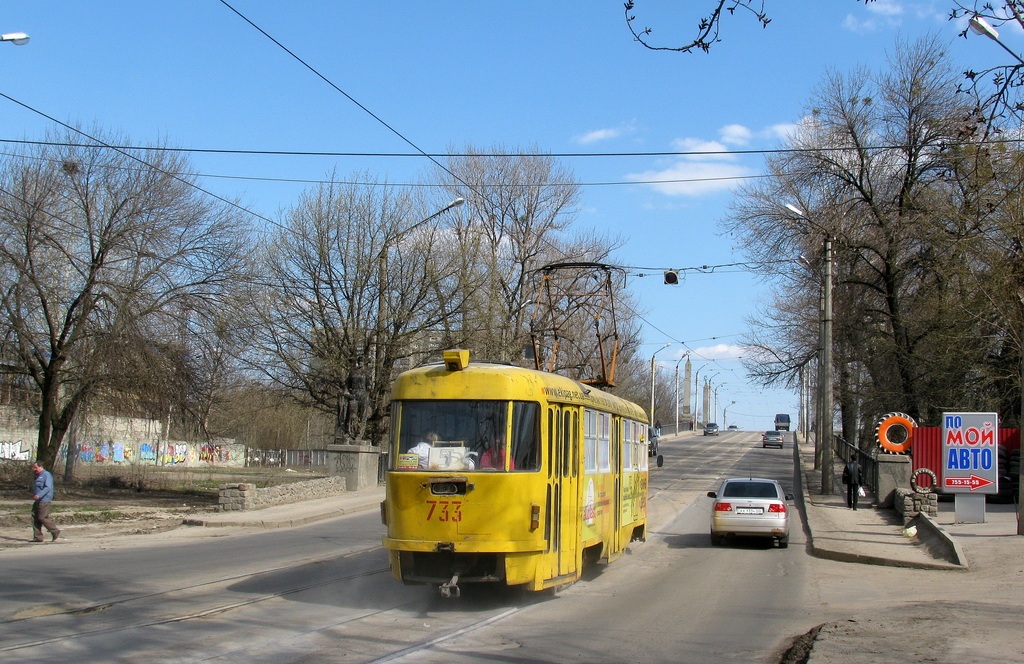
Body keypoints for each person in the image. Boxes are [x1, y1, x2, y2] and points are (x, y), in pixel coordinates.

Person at [30, 460, 60, 542]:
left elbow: (47, 487)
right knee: (35, 518)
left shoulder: (46, 475)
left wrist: (39, 495)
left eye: (36, 467)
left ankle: (55, 531)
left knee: (42, 517)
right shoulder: (37, 475)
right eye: (34, 467)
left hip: (44, 500)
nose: (34, 469)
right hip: (38, 500)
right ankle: (38, 537)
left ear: (41, 467)